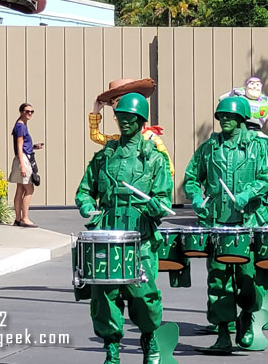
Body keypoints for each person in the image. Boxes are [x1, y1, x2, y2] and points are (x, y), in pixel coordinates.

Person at [75, 92, 173, 364]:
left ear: (142, 121)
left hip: (140, 236)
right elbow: (84, 191)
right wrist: (86, 206)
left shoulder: (155, 158)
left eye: (131, 118)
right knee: (105, 296)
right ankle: (111, 348)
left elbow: (164, 197)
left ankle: (149, 336)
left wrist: (157, 206)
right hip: (107, 235)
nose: (124, 122)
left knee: (143, 294)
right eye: (120, 118)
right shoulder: (104, 157)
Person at [183, 96, 268, 354]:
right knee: (219, 281)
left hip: (248, 223)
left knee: (248, 280)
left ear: (241, 119)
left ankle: (247, 318)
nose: (224, 120)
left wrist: (249, 193)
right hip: (218, 224)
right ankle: (223, 334)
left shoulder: (258, 146)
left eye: (230, 116)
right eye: (221, 116)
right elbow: (192, 178)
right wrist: (196, 198)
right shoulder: (209, 148)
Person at [89, 78, 175, 176]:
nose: (117, 118)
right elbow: (95, 136)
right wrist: (95, 112)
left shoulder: (151, 139)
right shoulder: (118, 141)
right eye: (117, 113)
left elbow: (169, 170)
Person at [8, 102, 42, 228]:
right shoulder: (21, 126)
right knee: (29, 189)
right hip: (23, 160)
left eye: (32, 111)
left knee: (20, 189)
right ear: (21, 112)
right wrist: (22, 165)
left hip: (20, 158)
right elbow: (19, 145)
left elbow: (22, 146)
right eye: (27, 111)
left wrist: (34, 147)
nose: (30, 114)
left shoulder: (19, 125)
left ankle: (17, 219)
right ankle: (25, 218)